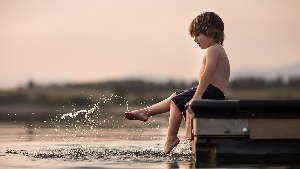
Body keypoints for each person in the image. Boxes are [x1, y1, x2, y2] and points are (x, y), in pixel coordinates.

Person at [124, 12, 230, 155]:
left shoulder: (214, 49)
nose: (195, 39)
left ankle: (171, 138)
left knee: (176, 102)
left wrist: (197, 95)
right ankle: (145, 112)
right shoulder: (217, 49)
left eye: (197, 35)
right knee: (176, 96)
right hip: (211, 92)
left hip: (210, 92)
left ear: (209, 31)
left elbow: (209, 72)